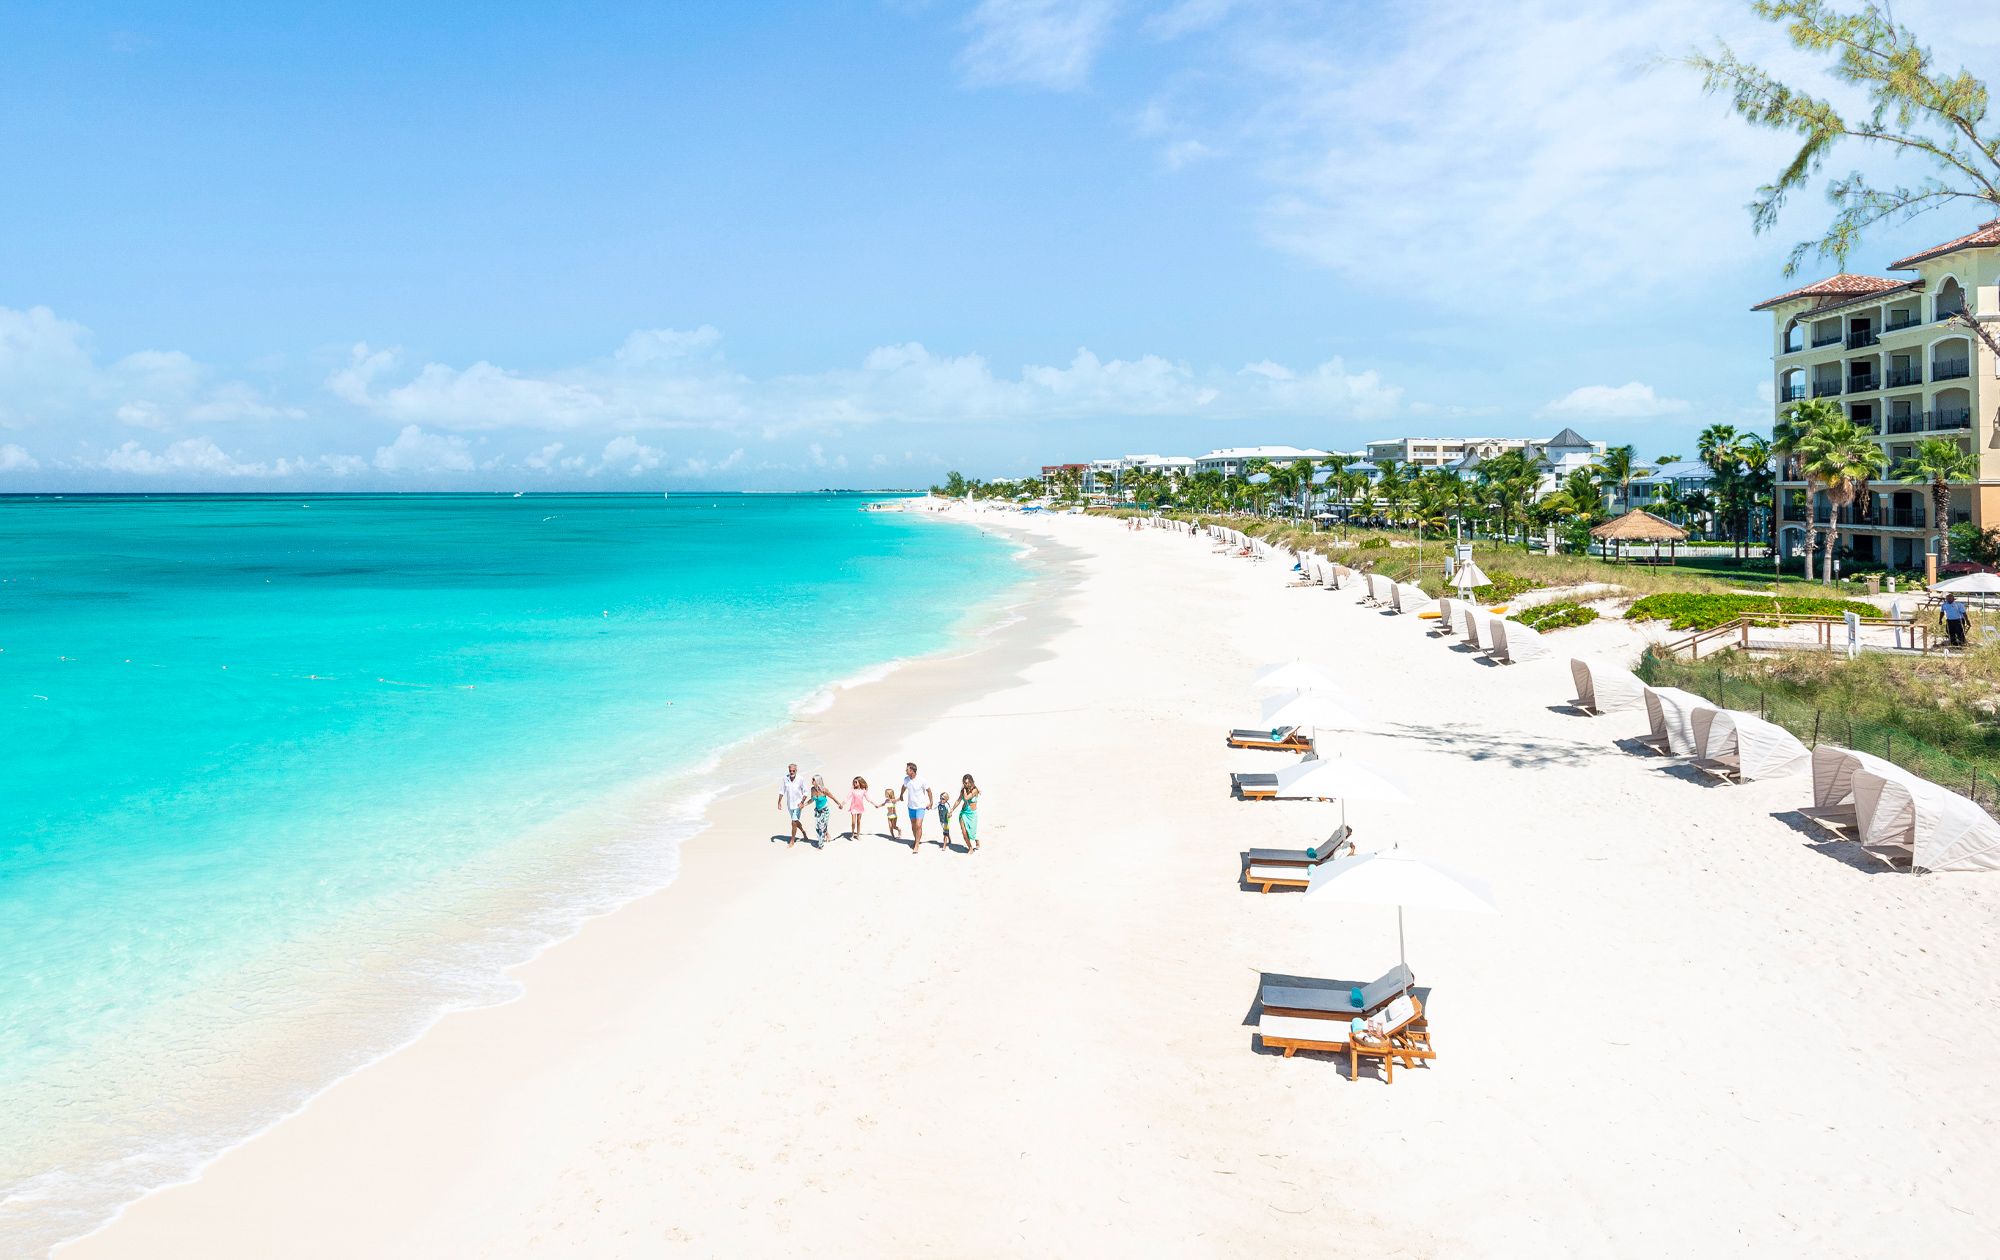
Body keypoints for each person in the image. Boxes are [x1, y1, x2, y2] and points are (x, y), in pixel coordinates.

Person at [900, 761, 932, 853]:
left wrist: (931, 802)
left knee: (918, 825)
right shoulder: (906, 779)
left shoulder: (922, 780)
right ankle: (916, 840)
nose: (906, 770)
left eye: (907, 769)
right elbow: (904, 786)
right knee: (913, 826)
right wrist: (901, 794)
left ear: (912, 771)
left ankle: (917, 845)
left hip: (920, 806)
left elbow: (929, 791)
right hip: (910, 806)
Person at [777, 763, 810, 846]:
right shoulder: (785, 778)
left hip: (798, 804)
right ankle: (803, 831)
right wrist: (779, 801)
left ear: (796, 770)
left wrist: (802, 802)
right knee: (795, 821)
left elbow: (806, 792)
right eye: (790, 771)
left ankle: (792, 840)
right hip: (790, 805)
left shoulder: (800, 779)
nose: (791, 772)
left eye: (793, 771)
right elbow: (782, 791)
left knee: (793, 822)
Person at [956, 774, 980, 853]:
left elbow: (966, 798)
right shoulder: (963, 790)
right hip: (964, 813)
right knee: (964, 832)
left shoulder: (975, 790)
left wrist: (965, 790)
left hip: (972, 814)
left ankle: (977, 840)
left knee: (972, 832)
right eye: (964, 783)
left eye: (967, 783)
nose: (966, 784)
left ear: (971, 782)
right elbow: (958, 800)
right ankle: (970, 847)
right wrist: (951, 810)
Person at [809, 774, 835, 847]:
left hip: (825, 810)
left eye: (813, 780)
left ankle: (820, 845)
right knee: (818, 826)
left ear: (817, 781)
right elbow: (812, 800)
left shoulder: (824, 790)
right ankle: (827, 835)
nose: (812, 781)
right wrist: (803, 805)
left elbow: (832, 797)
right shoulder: (812, 789)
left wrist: (839, 804)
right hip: (817, 811)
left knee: (820, 827)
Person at [846, 776, 870, 842]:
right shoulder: (852, 790)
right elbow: (847, 798)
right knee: (853, 822)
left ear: (859, 782)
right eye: (853, 782)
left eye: (856, 782)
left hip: (860, 808)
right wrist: (842, 804)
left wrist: (875, 804)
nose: (854, 783)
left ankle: (858, 835)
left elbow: (868, 799)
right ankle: (853, 834)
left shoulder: (863, 791)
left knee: (858, 822)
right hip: (853, 808)